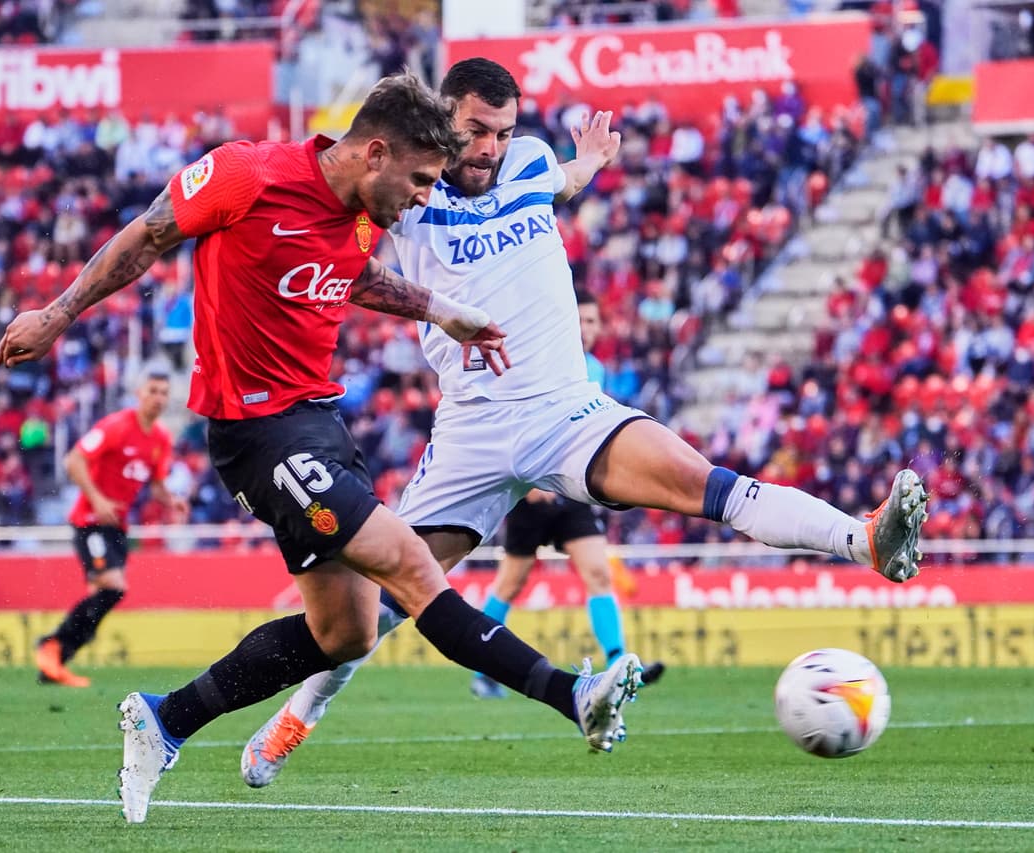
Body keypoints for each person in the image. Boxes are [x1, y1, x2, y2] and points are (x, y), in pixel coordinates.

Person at [240, 58, 929, 789]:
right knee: (378, 603)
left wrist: (590, 163)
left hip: (566, 411)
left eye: (503, 132)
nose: (490, 148)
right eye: (476, 130)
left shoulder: (529, 160)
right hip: (470, 430)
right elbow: (344, 263)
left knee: (710, 484)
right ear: (443, 119)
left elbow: (558, 181)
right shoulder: (410, 185)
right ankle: (297, 718)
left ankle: (863, 539)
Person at [0, 71, 643, 826]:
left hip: (319, 423)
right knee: (410, 565)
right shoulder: (246, 175)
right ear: (376, 153)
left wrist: (445, 311)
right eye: (420, 180)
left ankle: (164, 718)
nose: (424, 199)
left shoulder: (362, 211)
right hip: (256, 431)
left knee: (346, 631)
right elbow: (148, 233)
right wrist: (57, 314)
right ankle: (572, 693)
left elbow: (357, 276)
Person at [470, 290, 665, 699]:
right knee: (511, 582)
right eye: (579, 320)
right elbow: (518, 421)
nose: (586, 329)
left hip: (571, 491)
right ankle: (482, 669)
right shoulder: (538, 362)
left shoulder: (595, 370)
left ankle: (619, 666)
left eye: (592, 321)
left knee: (598, 572)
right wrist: (529, 482)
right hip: (531, 492)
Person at [34, 367, 185, 688]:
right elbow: (73, 460)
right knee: (113, 587)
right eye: (153, 391)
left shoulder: (160, 439)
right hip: (91, 522)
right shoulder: (117, 426)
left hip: (117, 528)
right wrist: (97, 499)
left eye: (163, 393)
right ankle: (52, 644)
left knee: (103, 597)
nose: (158, 398)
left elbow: (156, 485)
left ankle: (54, 664)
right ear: (138, 394)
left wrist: (173, 500)